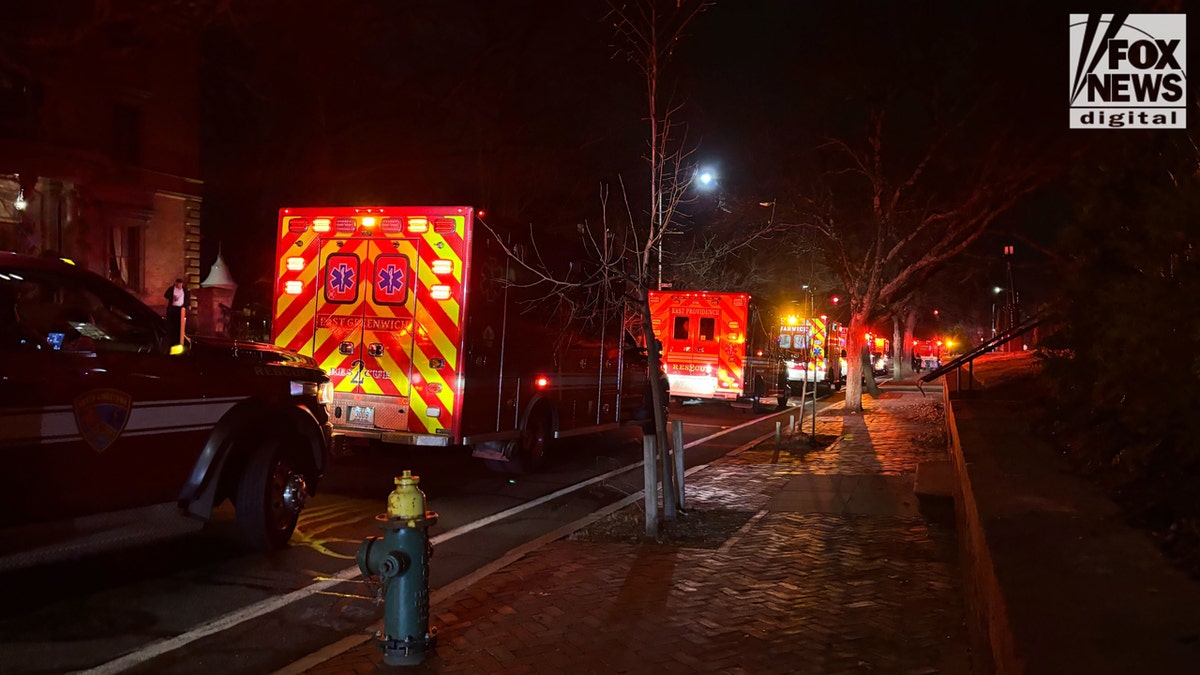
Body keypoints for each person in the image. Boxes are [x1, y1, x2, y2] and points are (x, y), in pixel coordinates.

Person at [163, 278, 190, 345]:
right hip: (173, 308)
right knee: (172, 323)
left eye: (181, 284)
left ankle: (180, 336)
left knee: (180, 323)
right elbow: (166, 295)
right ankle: (171, 337)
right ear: (176, 283)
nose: (180, 285)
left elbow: (187, 297)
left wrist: (188, 305)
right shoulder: (172, 289)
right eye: (179, 284)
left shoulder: (184, 289)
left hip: (181, 308)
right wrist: (172, 297)